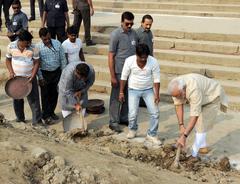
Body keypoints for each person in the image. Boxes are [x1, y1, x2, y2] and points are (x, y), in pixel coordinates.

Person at [167, 73, 228, 157]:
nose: (177, 97)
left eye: (179, 95)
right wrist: (181, 125)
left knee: (201, 126)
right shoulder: (175, 88)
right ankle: (203, 147)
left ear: (184, 89)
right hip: (202, 95)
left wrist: (184, 136)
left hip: (212, 96)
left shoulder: (193, 89)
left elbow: (195, 115)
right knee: (199, 125)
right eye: (175, 96)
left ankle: (193, 154)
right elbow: (178, 105)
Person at [119, 44, 161, 145]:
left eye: (145, 57)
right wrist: (121, 92)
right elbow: (124, 77)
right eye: (141, 57)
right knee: (132, 114)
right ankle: (133, 129)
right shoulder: (129, 60)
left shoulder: (153, 62)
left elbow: (156, 79)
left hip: (148, 90)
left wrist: (157, 94)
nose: (143, 59)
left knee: (155, 113)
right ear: (136, 55)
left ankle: (152, 134)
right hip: (133, 89)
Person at [108, 11, 138, 132]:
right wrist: (112, 76)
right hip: (119, 71)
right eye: (127, 24)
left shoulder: (134, 34)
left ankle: (124, 117)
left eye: (131, 24)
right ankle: (113, 121)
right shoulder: (115, 35)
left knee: (128, 95)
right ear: (122, 22)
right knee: (116, 97)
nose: (129, 26)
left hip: (131, 72)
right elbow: (111, 56)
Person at [5, 30, 42, 126]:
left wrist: (33, 75)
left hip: (30, 77)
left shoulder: (34, 47)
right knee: (17, 99)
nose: (29, 44)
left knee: (34, 100)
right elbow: (8, 60)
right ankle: (20, 119)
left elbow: (37, 62)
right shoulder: (11, 46)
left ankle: (37, 121)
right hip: (16, 79)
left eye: (30, 42)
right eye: (27, 42)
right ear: (20, 40)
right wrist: (11, 72)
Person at [37, 27, 67, 124]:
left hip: (57, 73)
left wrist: (63, 73)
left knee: (55, 94)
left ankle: (51, 112)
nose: (47, 40)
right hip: (45, 74)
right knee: (45, 95)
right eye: (45, 39)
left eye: (48, 38)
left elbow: (63, 59)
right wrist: (40, 77)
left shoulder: (57, 44)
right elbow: (37, 64)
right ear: (41, 38)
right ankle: (45, 115)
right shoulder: (38, 47)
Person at [136, 14, 154, 108]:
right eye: (146, 24)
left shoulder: (150, 33)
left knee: (146, 82)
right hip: (140, 62)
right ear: (142, 23)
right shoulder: (137, 33)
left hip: (149, 60)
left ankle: (143, 101)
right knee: (140, 82)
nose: (148, 26)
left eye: (150, 25)